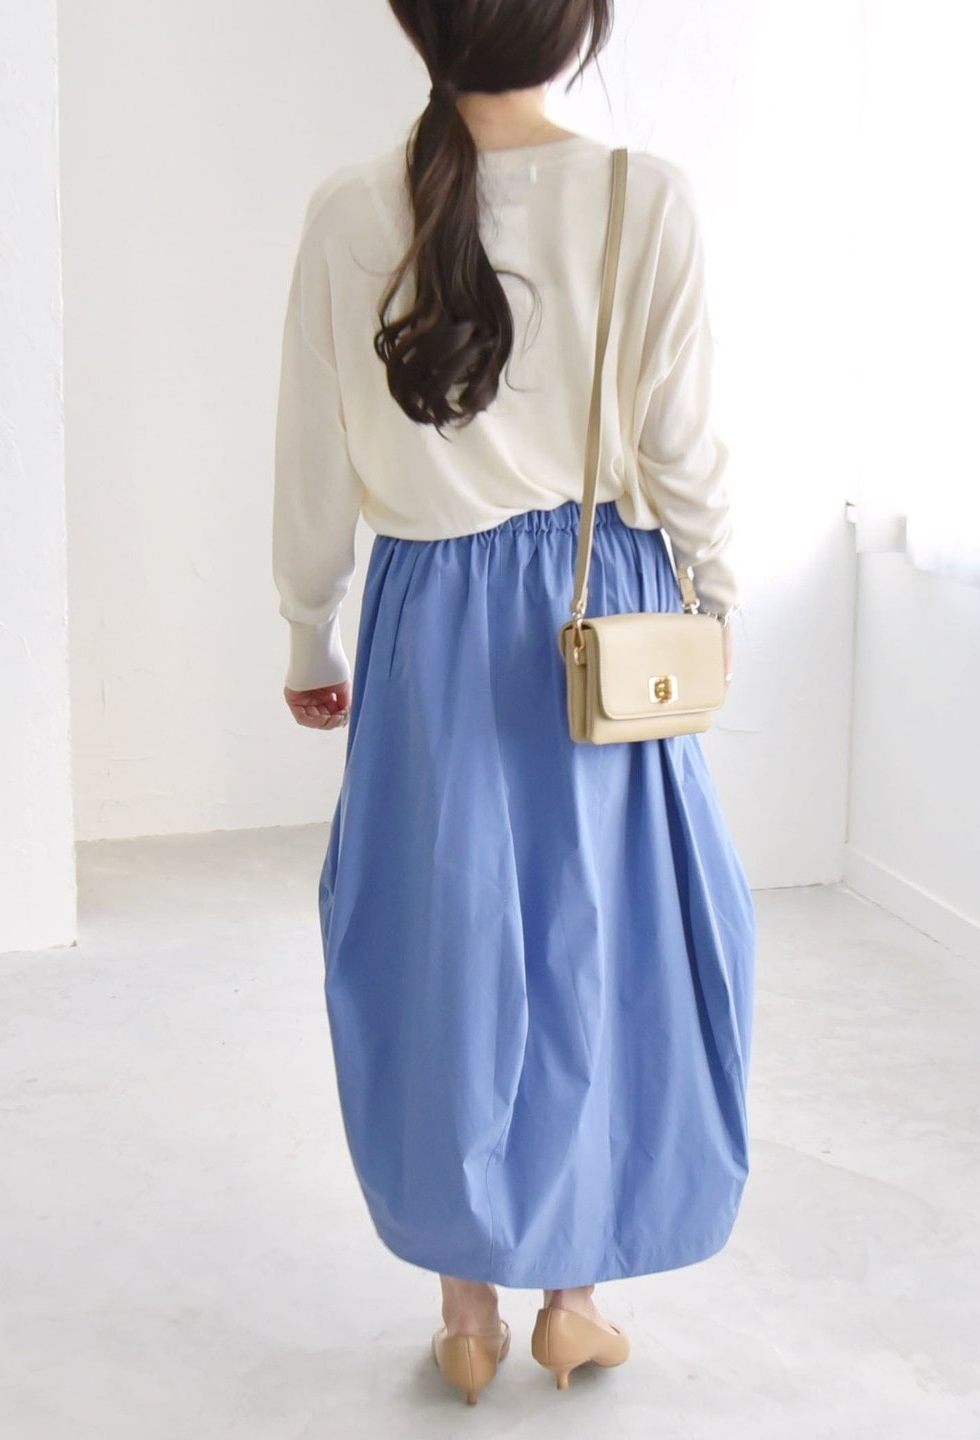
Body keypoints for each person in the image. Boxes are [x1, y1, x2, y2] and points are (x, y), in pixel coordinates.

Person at [271, 0, 757, 1406]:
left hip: (428, 616)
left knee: (441, 943)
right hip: (601, 617)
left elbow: (312, 446)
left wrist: (309, 627)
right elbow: (682, 444)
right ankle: (574, 1303)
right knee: (601, 942)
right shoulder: (644, 198)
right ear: (573, 27)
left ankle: (466, 1314)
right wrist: (717, 601)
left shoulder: (350, 208)